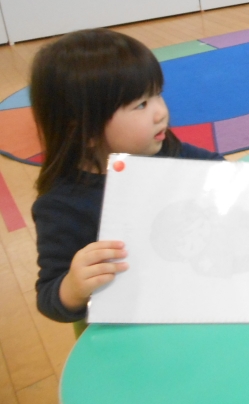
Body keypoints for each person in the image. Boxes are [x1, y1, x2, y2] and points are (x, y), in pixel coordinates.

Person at [29, 29, 223, 325]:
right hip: (135, 324)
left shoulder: (165, 149)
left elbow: (219, 169)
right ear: (85, 130)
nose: (161, 112)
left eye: (158, 94)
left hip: (194, 293)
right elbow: (49, 298)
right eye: (141, 105)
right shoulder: (61, 205)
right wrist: (74, 287)